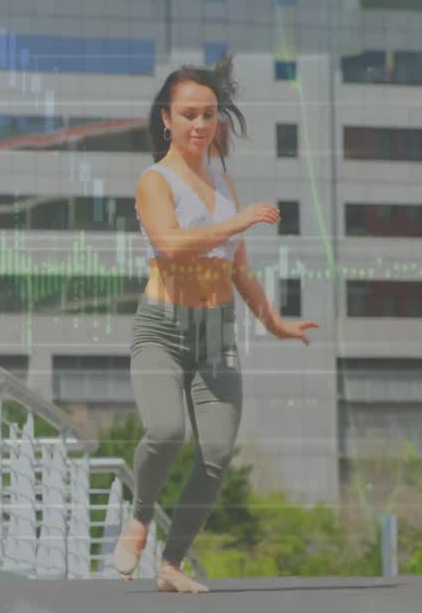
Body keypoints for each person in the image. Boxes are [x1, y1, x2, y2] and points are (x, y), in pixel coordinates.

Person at [109, 54, 319, 593]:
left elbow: (239, 270)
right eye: (189, 115)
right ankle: (140, 512)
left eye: (209, 115)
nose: (201, 125)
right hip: (162, 328)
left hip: (216, 334)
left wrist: (275, 324)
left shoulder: (224, 184)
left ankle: (172, 564)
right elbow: (170, 245)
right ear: (167, 119)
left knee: (218, 453)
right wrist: (240, 219)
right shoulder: (154, 181)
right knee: (165, 431)